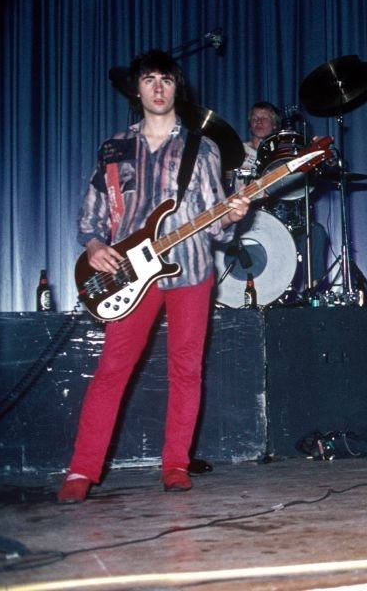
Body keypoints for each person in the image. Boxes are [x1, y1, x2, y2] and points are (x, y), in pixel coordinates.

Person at [57, 50, 251, 503]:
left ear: (176, 88)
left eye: (166, 79)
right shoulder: (114, 147)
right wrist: (94, 245)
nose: (158, 88)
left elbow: (218, 223)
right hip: (128, 274)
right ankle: (81, 470)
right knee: (112, 370)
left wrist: (235, 212)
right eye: (149, 79)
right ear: (137, 89)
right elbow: (92, 216)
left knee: (186, 369)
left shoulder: (201, 149)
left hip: (192, 268)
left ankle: (176, 465)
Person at [240, 101, 282, 175]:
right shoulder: (239, 149)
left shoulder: (279, 154)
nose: (259, 121)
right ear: (250, 125)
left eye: (264, 118)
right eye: (254, 118)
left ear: (274, 124)